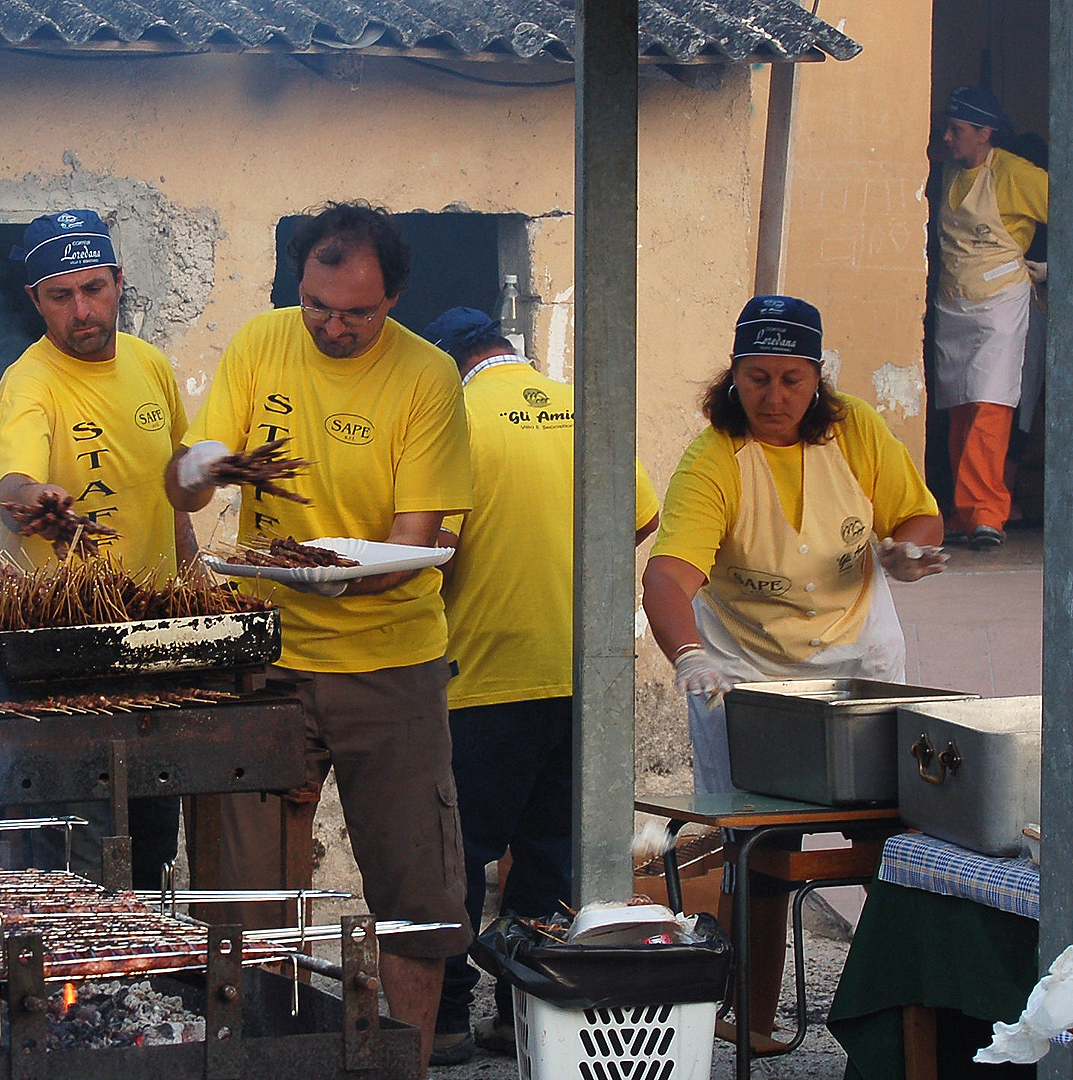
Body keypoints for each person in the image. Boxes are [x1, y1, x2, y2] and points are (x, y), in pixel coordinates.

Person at [165, 201, 474, 1070]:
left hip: (393, 661)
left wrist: (334, 571)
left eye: (359, 312)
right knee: (242, 896)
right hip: (266, 654)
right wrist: (205, 466)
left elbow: (414, 547)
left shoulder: (428, 377)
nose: (335, 327)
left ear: (396, 298)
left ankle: (402, 1064)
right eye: (319, 306)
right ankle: (264, 1060)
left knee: (417, 891)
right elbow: (186, 485)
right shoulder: (262, 343)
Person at [641, 294, 945, 1037]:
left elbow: (916, 515)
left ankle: (895, 1016)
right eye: (756, 378)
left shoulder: (857, 433)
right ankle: (751, 1016)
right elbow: (667, 577)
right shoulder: (713, 460)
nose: (773, 397)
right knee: (760, 846)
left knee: (884, 837)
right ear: (733, 377)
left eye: (790, 379)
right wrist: (688, 655)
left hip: (859, 665)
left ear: (818, 380)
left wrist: (907, 554)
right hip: (743, 674)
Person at [421, 306, 660, 1065]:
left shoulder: (454, 419)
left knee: (458, 857)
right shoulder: (582, 409)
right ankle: (524, 1017)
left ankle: (450, 1020)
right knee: (551, 858)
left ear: (446, 364)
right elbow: (639, 518)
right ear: (506, 349)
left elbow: (435, 552)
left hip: (486, 675)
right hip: (583, 675)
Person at [0, 209, 194, 888]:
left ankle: (146, 980)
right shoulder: (30, 380)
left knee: (155, 828)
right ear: (34, 301)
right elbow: (13, 484)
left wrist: (195, 588)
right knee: (80, 842)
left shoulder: (151, 366)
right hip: (68, 652)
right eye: (61, 296)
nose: (82, 310)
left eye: (94, 288)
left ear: (120, 282)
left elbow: (173, 494)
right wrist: (37, 500)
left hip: (156, 642)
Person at [930, 86, 1048, 550]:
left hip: (1001, 304)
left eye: (956, 130)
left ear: (985, 133)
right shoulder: (946, 174)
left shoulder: (1019, 175)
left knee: (990, 407)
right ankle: (964, 513)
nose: (948, 136)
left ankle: (987, 513)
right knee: (960, 411)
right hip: (953, 305)